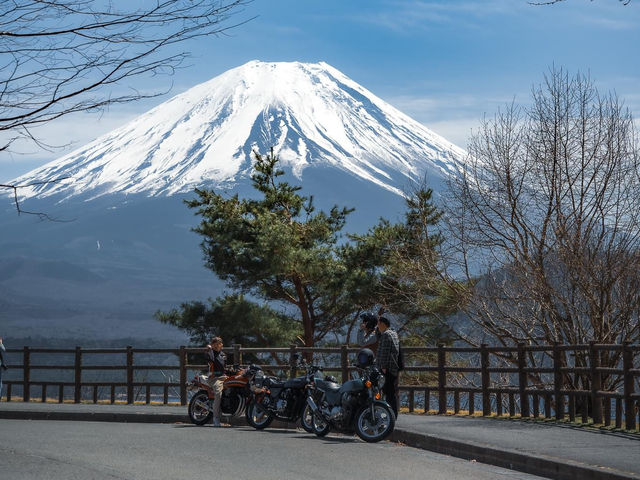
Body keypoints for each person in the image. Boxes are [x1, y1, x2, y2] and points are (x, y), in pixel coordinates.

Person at [375, 317, 400, 418]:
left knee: (388, 392)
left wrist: (383, 366)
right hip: (393, 367)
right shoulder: (393, 333)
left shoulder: (386, 335)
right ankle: (392, 413)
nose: (377, 326)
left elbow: (385, 352)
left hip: (387, 368)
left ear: (382, 324)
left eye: (378, 324)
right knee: (390, 392)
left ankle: (392, 415)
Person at [205, 337, 227, 427]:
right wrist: (209, 349)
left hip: (224, 377)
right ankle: (216, 418)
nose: (217, 345)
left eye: (219, 343)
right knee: (218, 393)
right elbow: (210, 359)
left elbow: (225, 367)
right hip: (214, 378)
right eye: (215, 343)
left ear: (222, 345)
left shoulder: (223, 355)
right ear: (212, 344)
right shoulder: (210, 354)